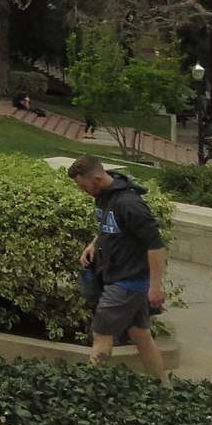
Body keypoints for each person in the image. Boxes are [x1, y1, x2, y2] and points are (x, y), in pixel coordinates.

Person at [67, 156, 168, 377]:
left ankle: (87, 387)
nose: (82, 191)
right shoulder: (103, 197)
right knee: (141, 335)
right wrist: (94, 243)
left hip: (127, 282)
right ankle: (164, 388)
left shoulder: (130, 204)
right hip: (120, 278)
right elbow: (110, 227)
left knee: (101, 335)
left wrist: (156, 287)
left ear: (96, 178)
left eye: (83, 186)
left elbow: (156, 245)